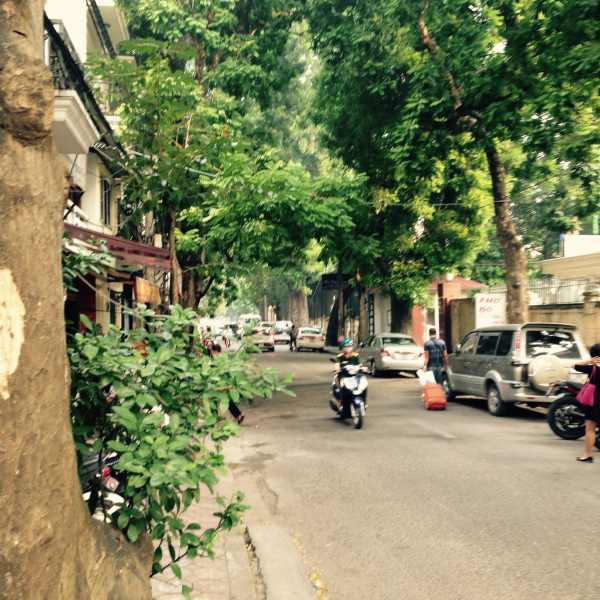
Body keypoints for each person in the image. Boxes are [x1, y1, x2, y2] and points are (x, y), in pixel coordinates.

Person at [573, 344, 600, 463]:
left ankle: (588, 455)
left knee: (590, 429)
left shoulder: (592, 368)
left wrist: (589, 361)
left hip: (594, 403)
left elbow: (574, 365)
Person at [212, 343, 245, 424]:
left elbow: (217, 370)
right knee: (227, 401)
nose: (212, 354)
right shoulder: (225, 356)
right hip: (227, 382)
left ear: (215, 351)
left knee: (214, 399)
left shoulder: (217, 358)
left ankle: (214, 419)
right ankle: (238, 415)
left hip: (221, 383)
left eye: (212, 352)